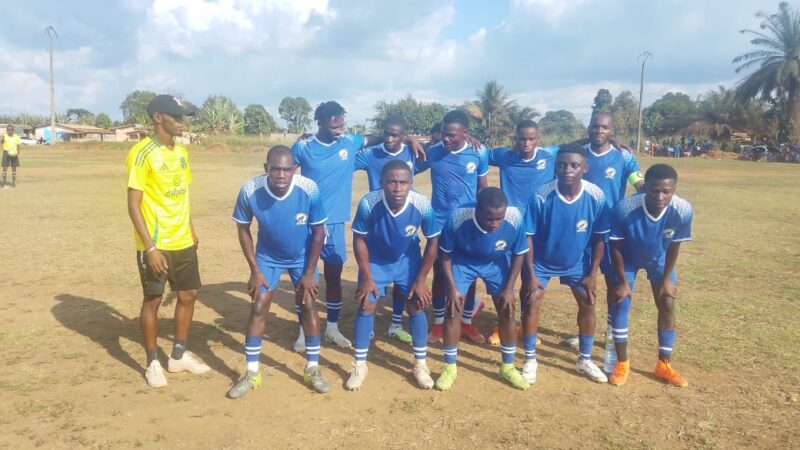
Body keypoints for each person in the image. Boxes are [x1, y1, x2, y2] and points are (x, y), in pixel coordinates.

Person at [291, 101, 424, 352]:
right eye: (334, 126)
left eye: (341, 124)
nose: (339, 129)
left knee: (334, 276)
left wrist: (411, 139)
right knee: (306, 277)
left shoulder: (349, 143)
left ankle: (331, 327)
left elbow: (380, 137)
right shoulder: (304, 145)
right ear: (320, 123)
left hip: (336, 222)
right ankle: (303, 330)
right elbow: (286, 168)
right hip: (307, 222)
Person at [226, 145, 330, 398]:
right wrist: (254, 269)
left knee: (308, 305)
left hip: (302, 257)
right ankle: (252, 373)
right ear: (266, 169)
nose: (281, 175)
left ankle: (313, 368)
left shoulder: (309, 189)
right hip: (267, 257)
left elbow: (318, 232)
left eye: (287, 169)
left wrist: (309, 272)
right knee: (259, 306)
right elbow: (243, 228)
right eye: (275, 169)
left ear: (295, 169)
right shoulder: (250, 190)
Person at [125, 95, 208, 388]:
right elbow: (133, 204)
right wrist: (150, 248)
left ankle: (177, 356)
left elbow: (182, 196)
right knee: (154, 300)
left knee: (188, 295)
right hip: (157, 245)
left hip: (183, 240)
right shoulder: (142, 152)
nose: (182, 122)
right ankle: (152, 363)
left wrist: (191, 228)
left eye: (183, 116)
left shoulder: (182, 153)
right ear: (158, 117)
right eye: (177, 116)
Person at [521, 144, 610, 384]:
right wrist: (529, 274)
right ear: (555, 166)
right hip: (541, 260)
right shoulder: (542, 195)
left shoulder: (596, 196)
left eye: (574, 165)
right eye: (562, 164)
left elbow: (600, 238)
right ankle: (530, 359)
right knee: (532, 302)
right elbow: (527, 236)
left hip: (577, 262)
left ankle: (585, 359)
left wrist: (593, 274)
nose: (567, 169)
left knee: (588, 302)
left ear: (585, 168)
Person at [346, 160, 440, 390]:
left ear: (411, 183)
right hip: (376, 261)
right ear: (381, 183)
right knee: (366, 305)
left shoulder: (421, 204)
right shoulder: (369, 203)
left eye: (403, 182)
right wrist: (367, 277)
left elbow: (433, 241)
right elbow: (359, 239)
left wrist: (421, 279)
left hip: (407, 260)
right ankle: (359, 365)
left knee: (416, 305)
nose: (397, 188)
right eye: (392, 182)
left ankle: (420, 364)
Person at [435, 187, 529, 391]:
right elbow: (445, 254)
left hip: (495, 262)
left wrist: (510, 288)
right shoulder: (458, 217)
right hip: (463, 261)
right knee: (453, 310)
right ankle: (450, 367)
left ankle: (508, 367)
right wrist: (451, 288)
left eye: (499, 219)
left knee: (508, 310)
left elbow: (519, 253)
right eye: (489, 219)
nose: (495, 224)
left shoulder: (514, 218)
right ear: (477, 210)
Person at [607, 164, 692, 387]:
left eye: (667, 191)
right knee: (621, 302)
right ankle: (622, 362)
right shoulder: (624, 208)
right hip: (628, 259)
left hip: (660, 259)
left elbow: (674, 245)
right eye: (655, 190)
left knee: (667, 302)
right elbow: (615, 246)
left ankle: (663, 364)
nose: (660, 196)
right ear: (645, 187)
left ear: (674, 189)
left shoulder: (683, 209)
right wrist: (623, 282)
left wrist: (665, 280)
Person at [415, 110, 489, 344]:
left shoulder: (478, 152)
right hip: (439, 222)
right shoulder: (433, 152)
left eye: (452, 136)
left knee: (469, 273)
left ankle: (466, 321)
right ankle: (438, 324)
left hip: (468, 223)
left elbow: (483, 189)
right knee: (439, 273)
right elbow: (407, 159)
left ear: (465, 134)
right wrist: (409, 139)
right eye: (444, 134)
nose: (446, 139)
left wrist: (484, 222)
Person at [485, 120, 555, 345]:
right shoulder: (504, 156)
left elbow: (580, 147)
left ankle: (526, 325)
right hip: (509, 226)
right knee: (505, 279)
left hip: (537, 229)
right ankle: (503, 324)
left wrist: (612, 139)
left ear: (538, 139)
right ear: (515, 138)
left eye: (531, 139)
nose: (526, 143)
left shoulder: (550, 155)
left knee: (529, 278)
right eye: (521, 138)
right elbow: (477, 152)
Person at [354, 115, 420, 344]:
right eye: (386, 133)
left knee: (403, 285)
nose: (390, 138)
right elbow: (344, 160)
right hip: (377, 220)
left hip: (403, 219)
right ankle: (368, 327)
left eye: (396, 134)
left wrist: (414, 140)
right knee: (374, 283)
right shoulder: (372, 155)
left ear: (404, 135)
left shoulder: (413, 152)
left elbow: (442, 149)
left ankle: (395, 324)